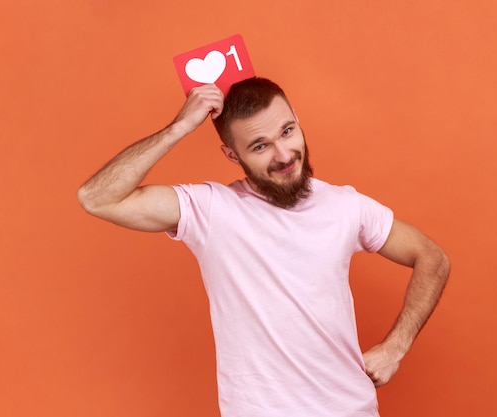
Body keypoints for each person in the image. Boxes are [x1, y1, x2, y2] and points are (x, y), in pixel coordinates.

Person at [77, 77, 450, 417]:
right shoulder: (211, 210)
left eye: (288, 131)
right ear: (232, 155)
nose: (284, 155)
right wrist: (180, 127)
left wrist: (395, 347)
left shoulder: (346, 206)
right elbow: (98, 198)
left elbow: (432, 257)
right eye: (260, 146)